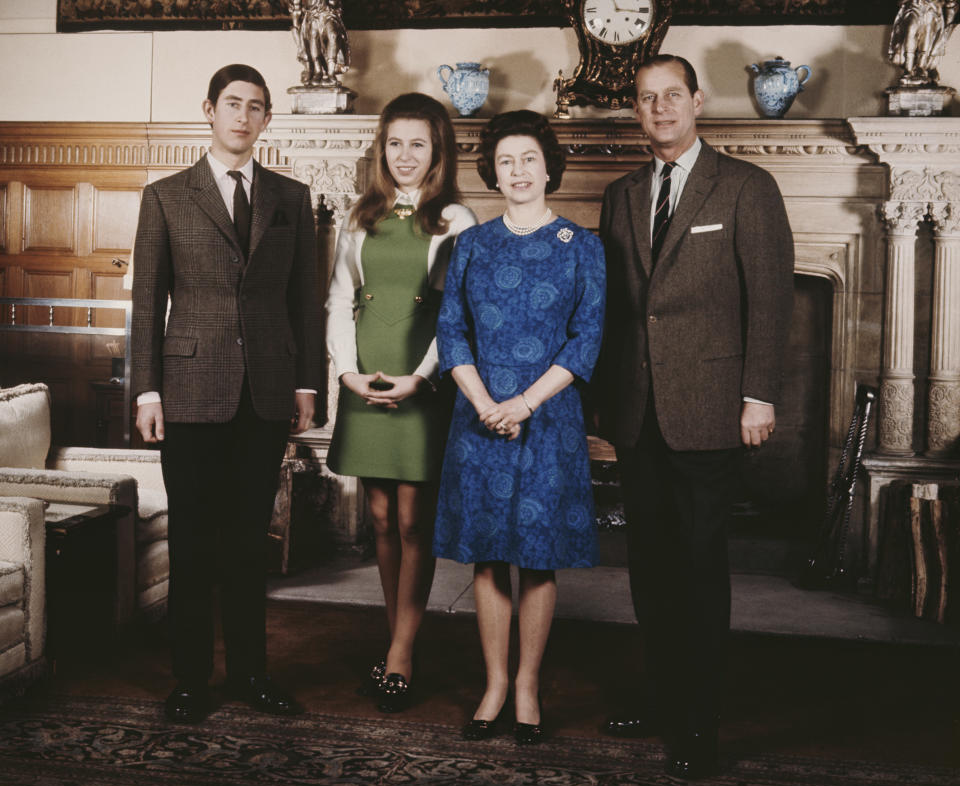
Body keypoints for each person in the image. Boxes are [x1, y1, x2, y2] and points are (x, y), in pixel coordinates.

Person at [596, 54, 793, 778]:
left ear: (698, 101)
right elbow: (616, 309)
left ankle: (700, 722)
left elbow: (770, 302)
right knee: (649, 567)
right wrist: (601, 404)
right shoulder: (620, 195)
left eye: (671, 95)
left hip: (712, 412)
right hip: (638, 413)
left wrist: (759, 395)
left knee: (700, 567)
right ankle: (663, 695)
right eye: (647, 99)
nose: (660, 108)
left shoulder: (746, 188)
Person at [131, 63, 323, 725]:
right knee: (192, 542)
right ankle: (190, 680)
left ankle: (250, 674)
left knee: (248, 542)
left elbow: (308, 301)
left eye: (256, 107)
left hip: (266, 394)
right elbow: (145, 303)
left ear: (267, 119)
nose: (243, 116)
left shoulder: (291, 199)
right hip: (185, 391)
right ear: (209, 110)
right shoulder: (165, 197)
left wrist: (306, 384)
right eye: (232, 104)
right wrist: (146, 392)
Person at [433, 110, 606, 745]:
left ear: (548, 166)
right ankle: (495, 683)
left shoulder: (583, 245)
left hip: (547, 418)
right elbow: (451, 330)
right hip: (478, 417)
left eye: (529, 158)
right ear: (493, 172)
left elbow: (588, 338)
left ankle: (528, 684)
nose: (518, 171)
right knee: (486, 556)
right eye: (506, 161)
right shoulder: (472, 244)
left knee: (537, 558)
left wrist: (525, 404)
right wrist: (483, 402)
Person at [325, 92, 476, 711]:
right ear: (380, 150)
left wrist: (421, 377)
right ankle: (398, 642)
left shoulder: (456, 220)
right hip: (366, 375)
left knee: (415, 522)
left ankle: (402, 656)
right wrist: (347, 373)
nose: (405, 155)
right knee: (381, 520)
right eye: (395, 143)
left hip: (423, 380)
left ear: (437, 152)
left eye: (419, 143)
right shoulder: (358, 217)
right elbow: (338, 299)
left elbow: (457, 314)